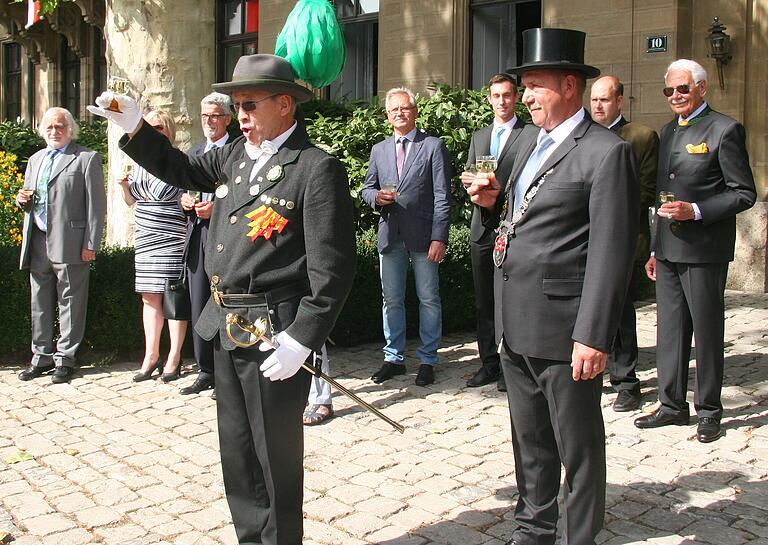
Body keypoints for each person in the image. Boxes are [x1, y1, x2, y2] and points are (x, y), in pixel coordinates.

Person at [88, 53, 356, 545]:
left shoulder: (315, 168)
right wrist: (133, 123)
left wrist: (303, 338)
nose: (242, 117)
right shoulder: (234, 155)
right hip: (224, 324)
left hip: (276, 331)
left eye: (249, 105)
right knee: (236, 449)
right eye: (237, 107)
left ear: (285, 105)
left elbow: (333, 269)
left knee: (275, 453)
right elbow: (181, 168)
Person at [468, 28, 639, 545]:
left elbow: (612, 254)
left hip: (566, 330)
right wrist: (491, 199)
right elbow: (518, 212)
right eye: (523, 88)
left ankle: (579, 534)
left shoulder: (606, 153)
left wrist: (593, 335)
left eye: (535, 86)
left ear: (569, 85)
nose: (526, 97)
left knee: (578, 444)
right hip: (515, 318)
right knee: (530, 438)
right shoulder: (524, 142)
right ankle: (533, 526)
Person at [634, 59, 756, 443]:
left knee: (705, 332)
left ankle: (709, 410)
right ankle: (671, 405)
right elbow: (660, 195)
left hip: (704, 249)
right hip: (669, 248)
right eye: (668, 90)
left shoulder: (725, 129)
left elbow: (743, 193)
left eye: (682, 89)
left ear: (702, 88)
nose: (675, 96)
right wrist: (654, 247)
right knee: (669, 330)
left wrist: (697, 211)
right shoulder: (668, 131)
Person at [361, 87, 452, 387]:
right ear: (387, 116)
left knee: (428, 298)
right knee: (392, 299)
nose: (400, 113)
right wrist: (377, 198)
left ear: (415, 111)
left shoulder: (433, 146)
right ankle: (394, 358)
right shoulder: (379, 150)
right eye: (394, 109)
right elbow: (366, 189)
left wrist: (440, 236)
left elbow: (442, 196)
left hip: (424, 236)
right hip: (390, 234)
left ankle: (428, 360)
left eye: (405, 108)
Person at [16, 107, 106, 384]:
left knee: (71, 302)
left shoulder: (85, 159)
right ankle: (40, 357)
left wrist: (91, 243)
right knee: (39, 302)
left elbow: (96, 207)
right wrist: (22, 201)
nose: (54, 132)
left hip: (71, 241)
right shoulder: (35, 159)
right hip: (38, 239)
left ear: (70, 130)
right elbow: (30, 197)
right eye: (50, 127)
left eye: (60, 127)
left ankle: (66, 358)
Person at [590, 75, 659, 412]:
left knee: (618, 311)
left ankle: (627, 382)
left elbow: (648, 192)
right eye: (594, 101)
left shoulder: (641, 137)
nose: (599, 106)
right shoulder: (582, 136)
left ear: (619, 101)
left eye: (605, 99)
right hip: (581, 239)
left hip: (624, 237)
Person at [461, 73, 527, 391]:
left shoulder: (529, 135)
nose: (502, 101)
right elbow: (475, 177)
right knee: (484, 301)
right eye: (496, 95)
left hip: (515, 229)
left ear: (516, 98)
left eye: (507, 95)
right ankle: (489, 363)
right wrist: (471, 184)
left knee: (513, 300)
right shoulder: (480, 137)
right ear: (489, 98)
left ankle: (512, 363)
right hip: (482, 229)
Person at [117, 110, 188, 383]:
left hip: (170, 235)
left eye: (159, 127)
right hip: (145, 234)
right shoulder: (139, 161)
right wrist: (125, 186)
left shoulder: (178, 160)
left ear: (168, 129)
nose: (155, 131)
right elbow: (130, 200)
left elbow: (188, 193)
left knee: (173, 297)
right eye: (150, 127)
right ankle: (151, 354)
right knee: (149, 297)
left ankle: (174, 356)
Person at [178, 92, 232, 396]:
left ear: (227, 118)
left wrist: (217, 209)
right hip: (197, 233)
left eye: (214, 116)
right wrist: (184, 200)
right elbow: (180, 190)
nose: (208, 122)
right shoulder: (195, 152)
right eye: (204, 116)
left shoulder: (237, 153)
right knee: (198, 301)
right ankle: (205, 369)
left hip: (224, 237)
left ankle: (225, 371)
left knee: (223, 300)